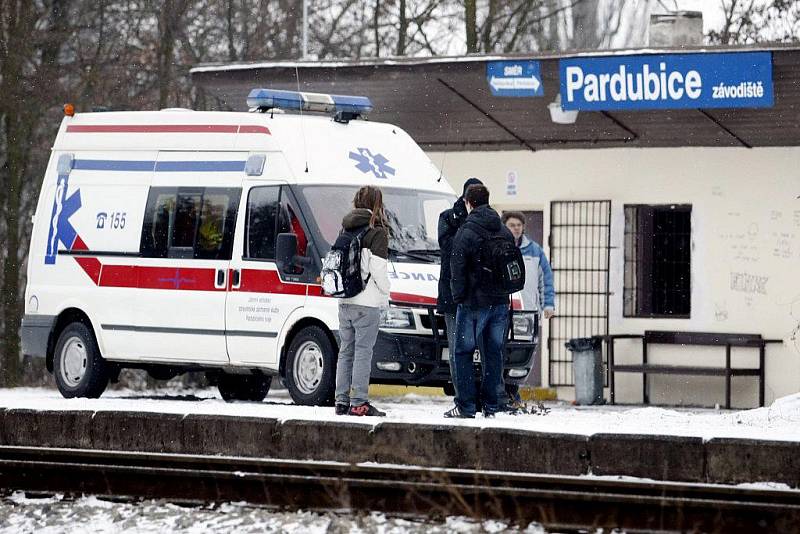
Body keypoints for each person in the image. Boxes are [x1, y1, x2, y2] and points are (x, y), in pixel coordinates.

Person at [445, 184, 514, 418]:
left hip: (473, 302)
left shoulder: (467, 231)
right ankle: (491, 405)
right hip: (500, 302)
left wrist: (459, 297)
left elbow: (457, 267)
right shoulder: (504, 230)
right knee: (494, 353)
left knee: (463, 353)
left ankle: (465, 406)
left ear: (468, 202)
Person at [334, 186, 390, 417]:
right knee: (363, 352)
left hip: (345, 300)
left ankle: (341, 401)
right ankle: (359, 403)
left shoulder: (345, 228)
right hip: (367, 303)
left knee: (346, 351)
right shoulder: (376, 231)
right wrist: (386, 293)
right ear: (377, 203)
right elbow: (378, 269)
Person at [501, 211, 555, 410]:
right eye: (511, 225)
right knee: (500, 352)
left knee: (521, 355)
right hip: (503, 312)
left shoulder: (535, 251)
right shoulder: (498, 248)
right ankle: (503, 394)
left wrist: (548, 305)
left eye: (518, 225)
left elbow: (546, 280)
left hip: (527, 313)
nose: (515, 228)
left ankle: (513, 394)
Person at [437, 177, 484, 397]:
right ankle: (463, 397)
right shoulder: (448, 217)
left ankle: (485, 397)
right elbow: (449, 249)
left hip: (481, 296)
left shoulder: (488, 219)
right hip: (454, 296)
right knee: (458, 349)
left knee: (484, 349)